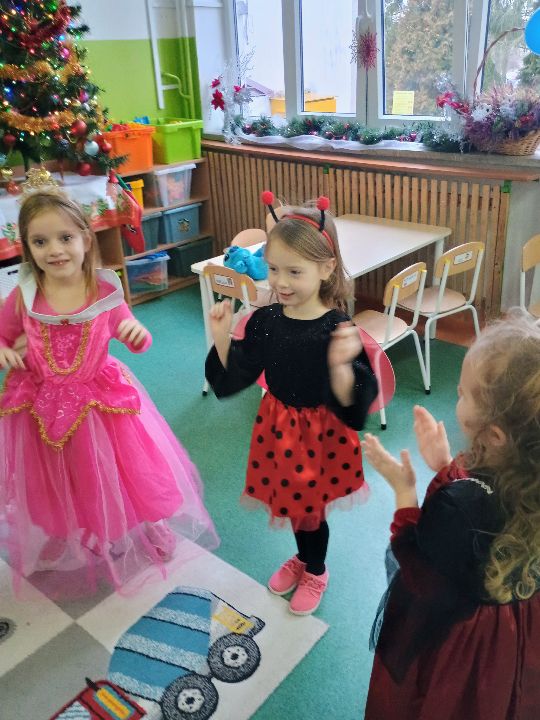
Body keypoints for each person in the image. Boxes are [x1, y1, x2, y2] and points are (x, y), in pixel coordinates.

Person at [0, 189, 218, 597]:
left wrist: (136, 334)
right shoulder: (23, 295)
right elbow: (3, 334)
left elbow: (131, 332)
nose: (55, 250)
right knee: (55, 480)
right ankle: (62, 529)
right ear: (28, 248)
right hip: (42, 406)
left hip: (99, 405)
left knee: (120, 473)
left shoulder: (103, 290)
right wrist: (4, 350)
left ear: (86, 239)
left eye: (65, 238)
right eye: (40, 241)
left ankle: (144, 525)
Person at [205, 192, 385, 616]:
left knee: (311, 511)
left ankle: (316, 568)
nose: (281, 282)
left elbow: (357, 400)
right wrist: (222, 339)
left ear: (326, 269)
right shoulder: (266, 320)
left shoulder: (337, 327)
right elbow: (240, 372)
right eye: (273, 269)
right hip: (278, 428)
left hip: (321, 437)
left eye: (294, 271)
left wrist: (341, 367)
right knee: (293, 505)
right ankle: (303, 557)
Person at [361, 311, 540, 720]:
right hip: (522, 639)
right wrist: (445, 466)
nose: (456, 397)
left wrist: (404, 490)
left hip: (469, 651)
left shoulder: (457, 507)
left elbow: (416, 571)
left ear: (494, 435)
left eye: (462, 393)